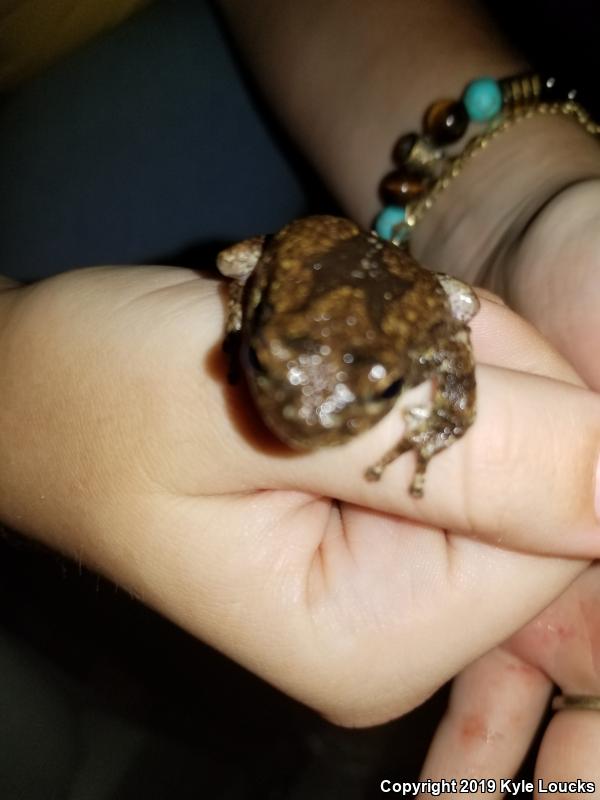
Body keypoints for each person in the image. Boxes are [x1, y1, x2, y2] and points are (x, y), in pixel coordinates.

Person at [2, 0, 600, 790]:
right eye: (268, 366)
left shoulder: (425, 337)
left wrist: (513, 203)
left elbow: (453, 334)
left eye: (371, 390)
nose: (308, 417)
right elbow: (247, 267)